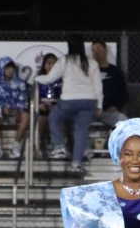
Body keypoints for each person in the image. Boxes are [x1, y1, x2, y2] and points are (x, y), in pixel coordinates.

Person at [44, 36, 104, 175]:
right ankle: (76, 163)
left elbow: (49, 78)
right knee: (81, 130)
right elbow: (98, 85)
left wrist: (36, 79)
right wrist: (99, 103)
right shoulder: (91, 62)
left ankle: (59, 147)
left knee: (54, 118)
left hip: (69, 101)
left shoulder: (65, 60)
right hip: (88, 101)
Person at [0, 56, 29, 160]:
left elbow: (23, 100)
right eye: (7, 68)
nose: (10, 70)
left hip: (15, 111)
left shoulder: (20, 83)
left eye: (11, 68)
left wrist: (15, 110)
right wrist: (3, 107)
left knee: (26, 117)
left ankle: (15, 148)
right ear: (1, 69)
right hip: (0, 110)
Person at [91, 40, 129, 128]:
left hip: (109, 112)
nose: (96, 53)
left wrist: (117, 107)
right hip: (91, 111)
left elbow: (124, 93)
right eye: (93, 50)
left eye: (99, 50)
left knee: (124, 122)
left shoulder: (115, 72)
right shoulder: (88, 71)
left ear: (105, 50)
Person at [36, 53, 63, 154]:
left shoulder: (63, 80)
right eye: (49, 63)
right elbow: (33, 98)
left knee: (59, 119)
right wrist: (39, 105)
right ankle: (36, 146)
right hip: (42, 108)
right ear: (44, 65)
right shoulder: (39, 79)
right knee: (41, 119)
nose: (51, 66)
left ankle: (60, 146)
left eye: (54, 64)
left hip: (57, 107)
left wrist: (55, 106)